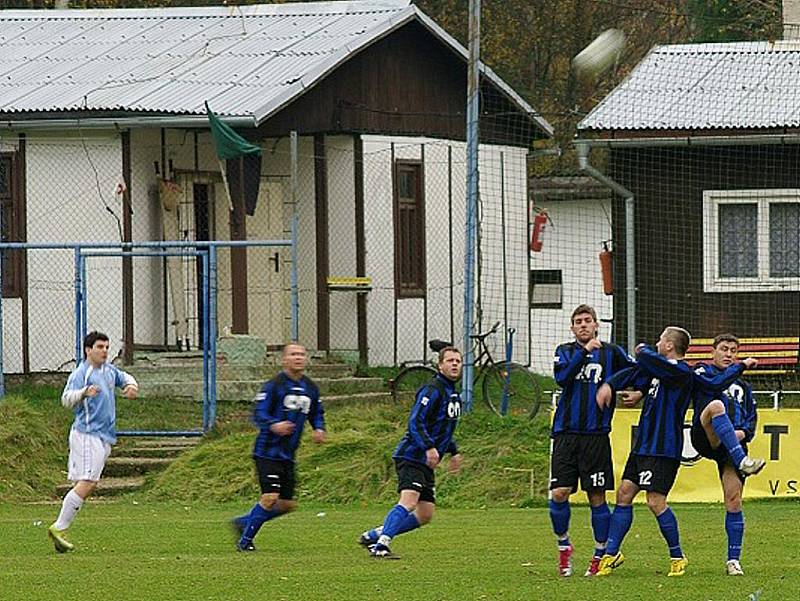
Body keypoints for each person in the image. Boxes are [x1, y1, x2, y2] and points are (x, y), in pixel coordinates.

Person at [594, 326, 695, 577]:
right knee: (624, 493)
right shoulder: (658, 371)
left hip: (663, 449)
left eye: (661, 339)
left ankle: (677, 556)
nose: (657, 343)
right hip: (644, 446)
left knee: (655, 501)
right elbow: (635, 372)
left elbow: (645, 358)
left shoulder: (681, 371)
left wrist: (641, 349)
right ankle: (612, 553)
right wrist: (611, 385)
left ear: (670, 345)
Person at [549, 304, 637, 577]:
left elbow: (637, 371)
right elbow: (562, 379)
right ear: (573, 328)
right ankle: (564, 547)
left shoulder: (611, 353)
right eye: (578, 322)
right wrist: (584, 353)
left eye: (588, 321)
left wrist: (637, 391)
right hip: (565, 434)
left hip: (596, 437)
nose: (584, 325)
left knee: (596, 497)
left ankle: (600, 554)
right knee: (559, 493)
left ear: (597, 325)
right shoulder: (564, 351)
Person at [359, 346, 464, 559]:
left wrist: (453, 452)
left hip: (425, 460)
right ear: (440, 365)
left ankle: (374, 535)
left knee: (425, 514)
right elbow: (415, 421)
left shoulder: (453, 394)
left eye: (458, 361)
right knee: (408, 502)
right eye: (450, 360)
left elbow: (442, 427)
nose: (454, 364)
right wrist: (428, 447)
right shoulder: (432, 389)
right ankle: (381, 546)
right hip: (412, 455)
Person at [48, 331, 139, 553]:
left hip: (104, 436)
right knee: (89, 481)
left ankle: (61, 530)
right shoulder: (82, 373)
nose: (105, 351)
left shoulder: (109, 371)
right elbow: (66, 399)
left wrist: (131, 386)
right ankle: (58, 527)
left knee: (83, 483)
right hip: (87, 434)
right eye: (100, 347)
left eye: (107, 347)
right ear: (88, 350)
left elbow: (125, 377)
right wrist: (83, 393)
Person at [231, 342, 325, 551]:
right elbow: (258, 413)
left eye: (301, 354)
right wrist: (274, 424)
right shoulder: (274, 385)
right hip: (267, 452)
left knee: (286, 505)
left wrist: (319, 428)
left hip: (288, 455)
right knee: (270, 497)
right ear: (284, 359)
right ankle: (245, 542)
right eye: (293, 354)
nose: (298, 357)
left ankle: (243, 522)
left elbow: (317, 412)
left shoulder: (310, 387)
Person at [691, 334, 763, 575]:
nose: (729, 354)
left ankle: (733, 560)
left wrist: (742, 433)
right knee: (716, 406)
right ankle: (743, 461)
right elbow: (713, 387)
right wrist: (741, 367)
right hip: (706, 434)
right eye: (724, 349)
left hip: (732, 443)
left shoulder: (744, 387)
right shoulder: (703, 370)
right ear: (713, 351)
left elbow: (752, 420)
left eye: (734, 351)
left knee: (734, 500)